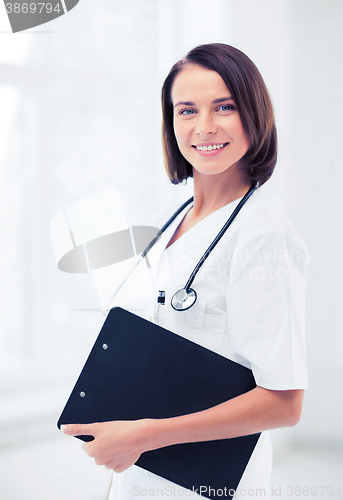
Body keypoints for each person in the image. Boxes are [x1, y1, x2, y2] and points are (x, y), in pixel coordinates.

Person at [61, 43, 310, 499]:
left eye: (225, 107)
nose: (205, 127)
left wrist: (143, 436)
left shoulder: (262, 236)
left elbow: (284, 403)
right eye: (187, 110)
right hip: (138, 471)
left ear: (253, 114)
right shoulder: (174, 222)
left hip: (203, 480)